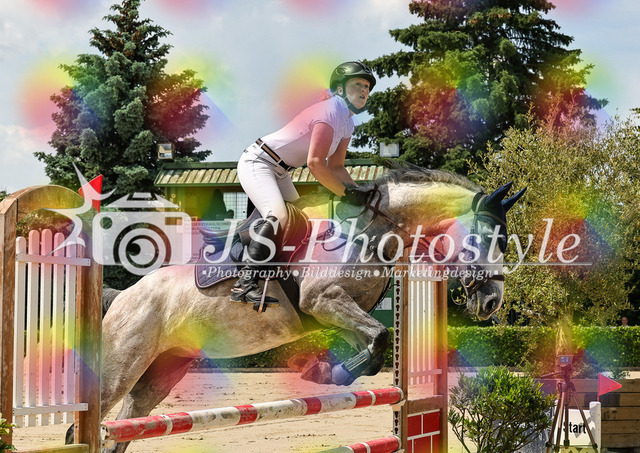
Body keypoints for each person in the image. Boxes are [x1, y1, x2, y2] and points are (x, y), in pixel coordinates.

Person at [231, 61, 376, 306]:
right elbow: (315, 163)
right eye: (358, 84)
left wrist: (360, 191)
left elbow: (336, 167)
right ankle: (244, 284)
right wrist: (345, 193)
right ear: (340, 89)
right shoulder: (329, 111)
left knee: (303, 221)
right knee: (279, 216)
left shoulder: (348, 123)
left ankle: (278, 275)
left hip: (280, 171)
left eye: (367, 86)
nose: (364, 90)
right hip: (258, 162)